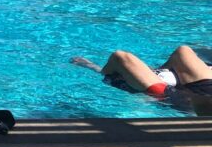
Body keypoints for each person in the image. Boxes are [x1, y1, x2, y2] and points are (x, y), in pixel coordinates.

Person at [71, 46, 212, 115]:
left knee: (121, 57)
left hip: (176, 98)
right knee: (184, 51)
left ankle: (101, 71)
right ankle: (150, 74)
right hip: (207, 87)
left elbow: (200, 109)